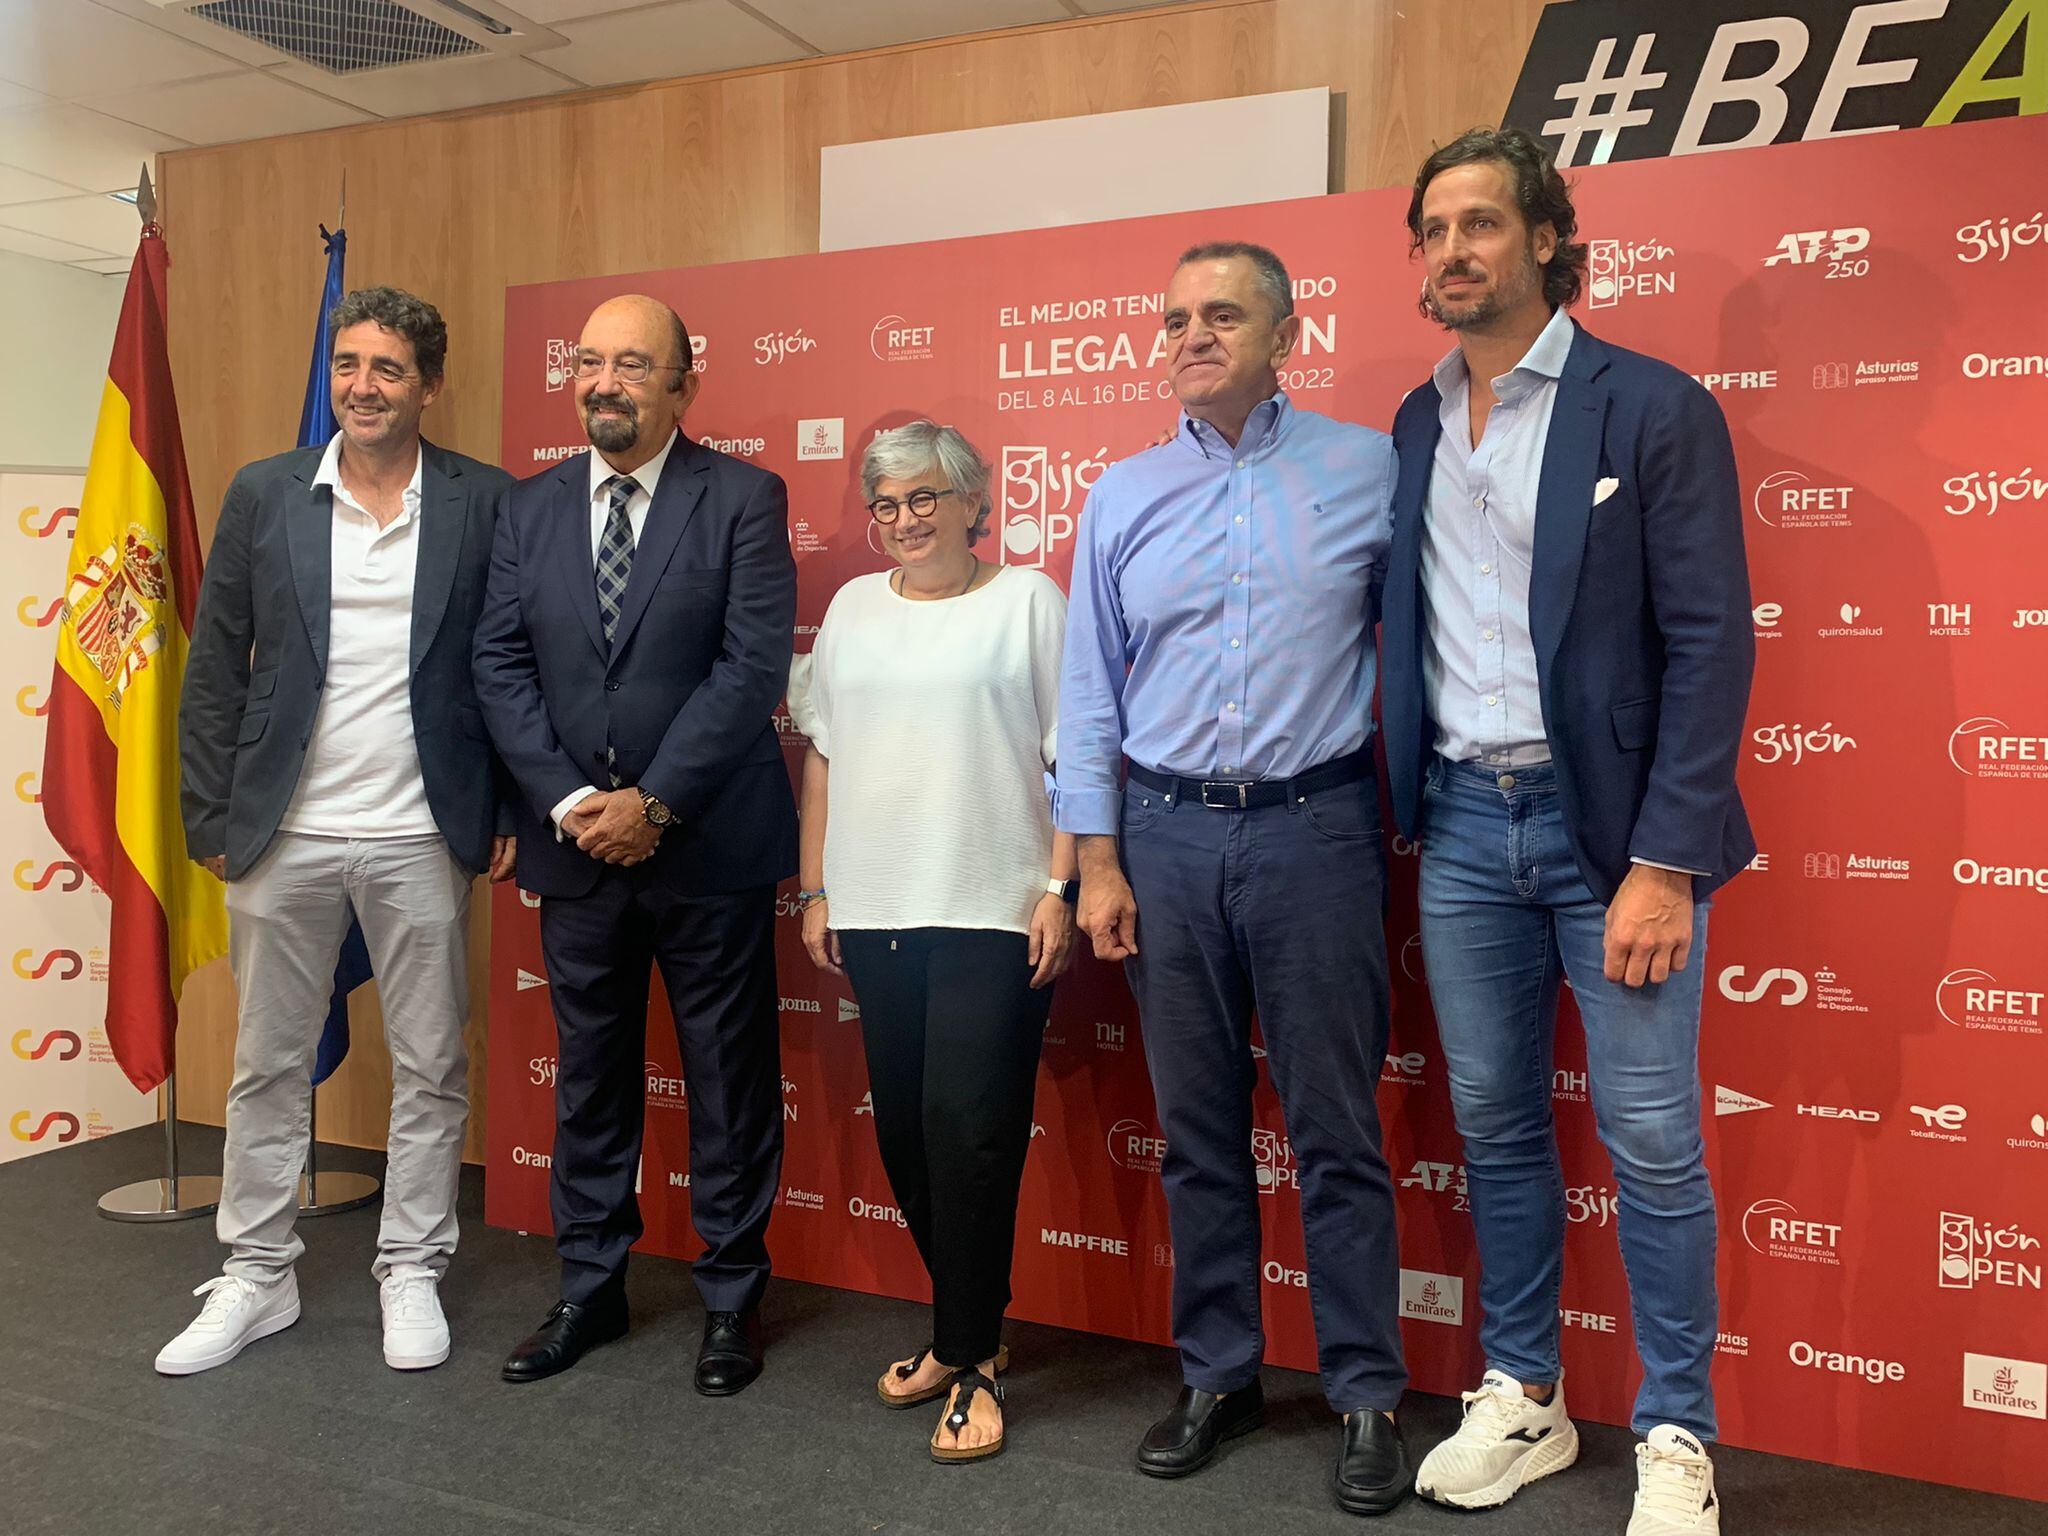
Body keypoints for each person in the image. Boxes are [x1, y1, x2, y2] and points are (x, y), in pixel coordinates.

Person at [1381, 127, 1754, 1536]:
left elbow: (1711, 647)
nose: (1455, 249)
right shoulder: (1420, 421)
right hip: (1466, 831)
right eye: (1433, 230)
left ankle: (1676, 1433)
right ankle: (1527, 1393)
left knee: (1655, 1145)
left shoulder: (1651, 407)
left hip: (1616, 845)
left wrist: (1668, 862)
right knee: (1495, 1129)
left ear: (1548, 237)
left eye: (1483, 222)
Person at [1058, 242, 1411, 1516]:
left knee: (1334, 1130)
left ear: (1285, 332)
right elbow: (1090, 689)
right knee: (1199, 1134)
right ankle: (1217, 1373)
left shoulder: (1368, 468)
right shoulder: (1121, 492)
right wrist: (1094, 857)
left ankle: (1366, 1387)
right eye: (1172, 319)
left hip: (1316, 831)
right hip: (1162, 839)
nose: (1189, 335)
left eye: (1220, 314)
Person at [166, 285, 515, 1376]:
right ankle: (255, 1275)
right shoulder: (267, 492)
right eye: (348, 365)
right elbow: (217, 662)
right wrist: (210, 813)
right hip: (285, 830)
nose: (362, 386)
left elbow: (505, 670)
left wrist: (500, 809)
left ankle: (409, 1267)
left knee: (429, 1062)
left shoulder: (482, 502)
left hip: (422, 829)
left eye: (388, 369)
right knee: (268, 1065)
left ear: (428, 386)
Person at [474, 294, 797, 1395]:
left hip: (706, 844)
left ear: (682, 384)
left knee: (727, 1078)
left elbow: (750, 670)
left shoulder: (744, 497)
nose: (602, 381)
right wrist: (570, 802)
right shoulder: (526, 509)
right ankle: (589, 1287)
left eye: (630, 363)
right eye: (588, 362)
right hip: (574, 853)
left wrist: (652, 801)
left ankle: (728, 1300)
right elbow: (499, 668)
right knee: (591, 1082)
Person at [789, 420, 1076, 1464]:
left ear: (969, 501)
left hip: (989, 910)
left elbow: (1075, 756)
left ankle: (971, 1357)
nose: (904, 519)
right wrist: (816, 890)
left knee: (970, 1131)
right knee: (908, 1133)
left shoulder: (1028, 602)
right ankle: (967, 1330)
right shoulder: (852, 611)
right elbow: (821, 757)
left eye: (923, 497)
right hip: (873, 912)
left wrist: (1056, 885)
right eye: (884, 504)